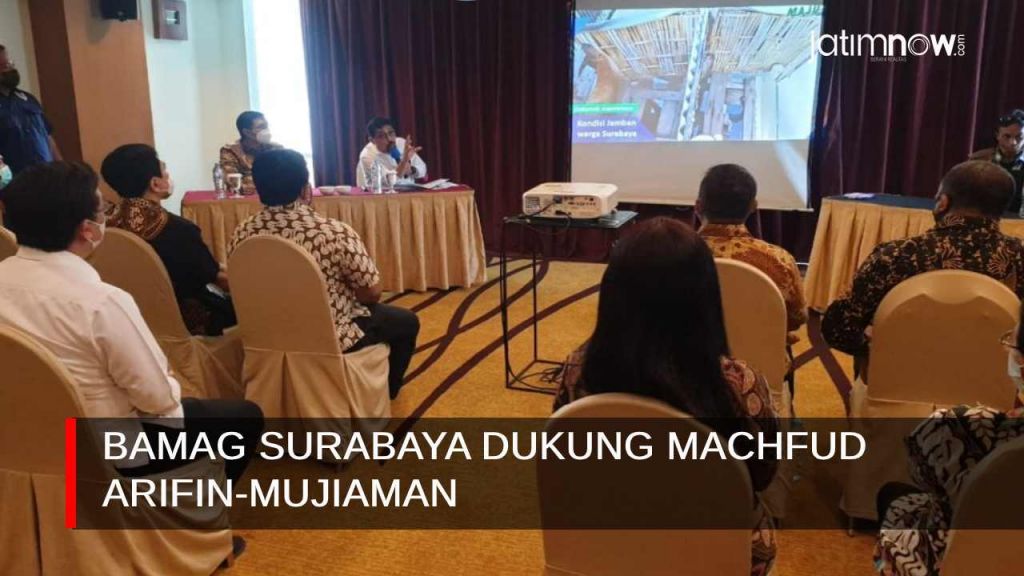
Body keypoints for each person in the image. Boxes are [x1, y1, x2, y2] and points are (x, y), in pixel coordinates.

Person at [0, 161, 263, 486]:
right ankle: (190, 509)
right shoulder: (101, 302)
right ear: (86, 229)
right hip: (106, 449)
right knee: (244, 416)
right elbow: (157, 400)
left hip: (20, 436)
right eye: (101, 210)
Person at [554, 217, 779, 575]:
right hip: (715, 556)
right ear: (706, 296)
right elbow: (762, 476)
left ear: (613, 293)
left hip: (603, 547)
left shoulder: (577, 370)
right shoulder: (739, 384)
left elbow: (564, 464)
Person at [230, 149, 420, 398]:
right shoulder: (333, 232)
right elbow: (371, 293)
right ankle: (386, 394)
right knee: (406, 322)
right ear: (305, 189)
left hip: (265, 334)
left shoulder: (242, 232)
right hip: (329, 337)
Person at [823, 161, 1024, 360]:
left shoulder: (896, 255)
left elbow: (838, 329)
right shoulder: (1019, 257)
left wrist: (878, 348)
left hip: (899, 374)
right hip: (991, 377)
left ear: (943, 202)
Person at [101, 144, 236, 336]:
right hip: (186, 324)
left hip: (128, 322)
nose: (168, 176)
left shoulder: (106, 226)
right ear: (155, 184)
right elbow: (217, 279)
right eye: (165, 171)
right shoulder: (179, 230)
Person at [696, 163, 807, 339]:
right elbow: (797, 317)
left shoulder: (669, 255)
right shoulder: (779, 260)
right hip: (760, 355)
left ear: (698, 206)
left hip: (684, 355)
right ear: (753, 206)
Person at [0, 44, 61, 175]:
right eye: (3, 66)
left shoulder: (28, 98)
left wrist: (61, 168)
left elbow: (47, 136)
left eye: (9, 64)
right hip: (16, 181)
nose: (9, 69)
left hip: (47, 174)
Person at [969, 109, 1024, 213]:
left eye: (1019, 137)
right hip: (986, 217)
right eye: (1007, 136)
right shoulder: (978, 160)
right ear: (997, 135)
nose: (1013, 142)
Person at [220, 111, 281, 196]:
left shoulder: (276, 148)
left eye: (266, 126)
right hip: (245, 199)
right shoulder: (230, 151)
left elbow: (286, 177)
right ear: (247, 132)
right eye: (261, 127)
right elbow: (234, 182)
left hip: (275, 197)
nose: (266, 130)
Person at [356, 117, 426, 189]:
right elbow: (389, 181)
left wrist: (412, 170)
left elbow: (423, 169)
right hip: (382, 194)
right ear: (372, 140)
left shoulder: (401, 143)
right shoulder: (367, 156)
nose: (389, 139)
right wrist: (404, 162)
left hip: (410, 191)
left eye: (391, 133)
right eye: (381, 136)